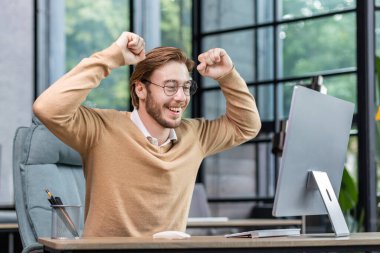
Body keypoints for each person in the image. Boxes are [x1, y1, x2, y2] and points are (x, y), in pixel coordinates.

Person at [33, 31, 261, 237]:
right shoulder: (100, 129)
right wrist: (111, 57)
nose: (181, 97)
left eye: (185, 87)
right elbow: (48, 108)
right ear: (140, 89)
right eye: (170, 87)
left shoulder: (195, 136)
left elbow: (246, 126)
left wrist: (228, 76)